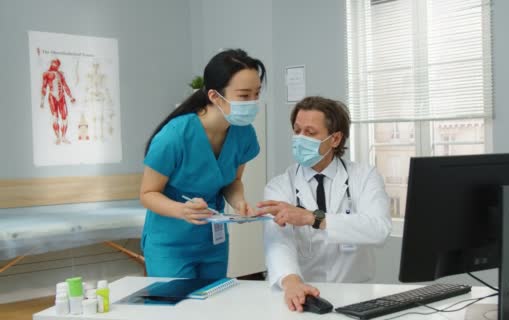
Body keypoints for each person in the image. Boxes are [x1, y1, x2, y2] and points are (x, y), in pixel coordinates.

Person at [257, 96, 391, 312]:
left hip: (356, 294)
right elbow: (278, 241)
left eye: (310, 133)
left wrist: (313, 218)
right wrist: (292, 283)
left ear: (335, 139)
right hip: (301, 296)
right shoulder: (280, 186)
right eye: (297, 130)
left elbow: (379, 229)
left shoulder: (364, 176)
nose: (300, 138)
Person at [140, 49, 266, 279]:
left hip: (213, 241)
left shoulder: (244, 133)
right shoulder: (175, 136)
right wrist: (182, 210)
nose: (253, 102)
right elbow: (147, 193)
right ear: (215, 97)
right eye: (244, 95)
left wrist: (239, 202)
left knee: (212, 307)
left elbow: (233, 181)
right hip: (170, 243)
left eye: (257, 94)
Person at [40, 58, 76, 145]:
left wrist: (71, 97)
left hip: (61, 97)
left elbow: (65, 85)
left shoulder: (61, 74)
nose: (54, 65)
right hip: (52, 97)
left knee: (65, 118)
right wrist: (42, 100)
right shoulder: (46, 74)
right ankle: (58, 137)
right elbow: (44, 87)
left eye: (56, 64)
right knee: (55, 117)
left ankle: (63, 137)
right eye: (54, 64)